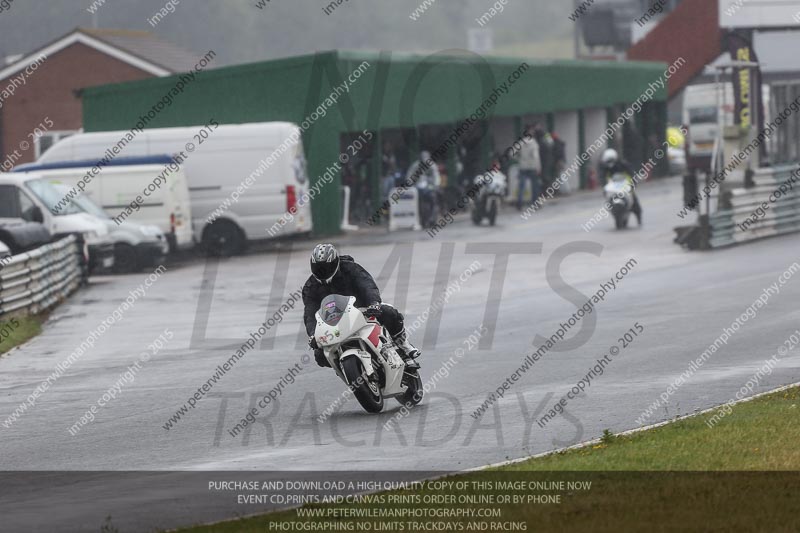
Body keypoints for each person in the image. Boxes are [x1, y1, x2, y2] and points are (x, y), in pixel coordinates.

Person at [303, 243, 420, 367]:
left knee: (389, 312)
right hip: (334, 322)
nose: (322, 271)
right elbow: (310, 313)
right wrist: (312, 334)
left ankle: (403, 345)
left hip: (363, 310)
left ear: (335, 262)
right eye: (318, 268)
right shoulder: (310, 287)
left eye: (326, 267)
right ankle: (344, 369)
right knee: (320, 356)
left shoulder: (350, 268)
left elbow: (367, 285)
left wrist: (374, 303)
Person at [601, 148, 642, 226]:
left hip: (625, 184)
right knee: (607, 197)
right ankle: (612, 209)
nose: (609, 163)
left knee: (635, 201)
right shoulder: (605, 168)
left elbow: (632, 173)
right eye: (607, 161)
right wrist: (604, 186)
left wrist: (633, 183)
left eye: (610, 161)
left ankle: (639, 217)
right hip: (613, 186)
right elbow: (602, 177)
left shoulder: (623, 164)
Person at [515, 126, 541, 210]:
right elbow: (535, 157)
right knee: (534, 186)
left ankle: (519, 203)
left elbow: (514, 154)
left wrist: (519, 160)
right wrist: (538, 167)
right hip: (532, 167)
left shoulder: (520, 143)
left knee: (521, 186)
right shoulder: (534, 143)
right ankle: (534, 203)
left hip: (522, 166)